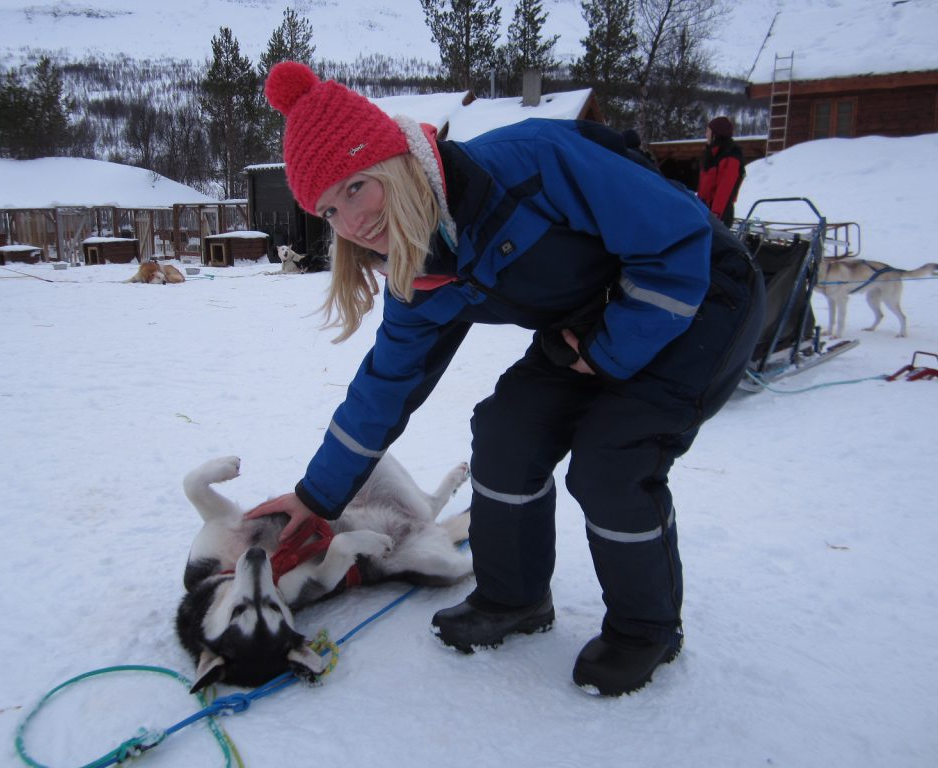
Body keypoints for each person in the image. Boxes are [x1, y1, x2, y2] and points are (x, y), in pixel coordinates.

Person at [247, 61, 765, 696]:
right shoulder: (418, 265)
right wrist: (315, 499)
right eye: (328, 209)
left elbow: (678, 241)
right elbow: (388, 382)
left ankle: (644, 630)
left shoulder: (533, 163)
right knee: (505, 432)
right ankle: (513, 598)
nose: (350, 224)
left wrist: (604, 352)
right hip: (589, 324)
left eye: (354, 187)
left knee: (613, 459)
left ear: (392, 160)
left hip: (702, 293)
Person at [697, 116, 745, 228]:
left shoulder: (730, 156)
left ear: (716, 134)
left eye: (708, 131)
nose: (706, 134)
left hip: (718, 214)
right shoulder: (711, 154)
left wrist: (716, 215)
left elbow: (725, 189)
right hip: (704, 210)